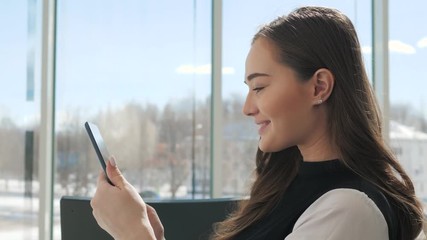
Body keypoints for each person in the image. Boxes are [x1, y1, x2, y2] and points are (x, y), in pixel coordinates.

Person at [90, 6, 426, 240]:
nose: (248, 108)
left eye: (260, 87)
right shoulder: (289, 187)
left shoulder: (349, 210)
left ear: (319, 87)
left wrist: (134, 235)